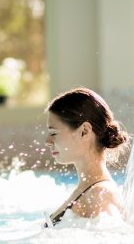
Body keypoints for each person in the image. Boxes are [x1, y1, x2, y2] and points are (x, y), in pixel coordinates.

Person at [44, 87, 129, 227]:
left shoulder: (99, 195)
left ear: (84, 131)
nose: (47, 142)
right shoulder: (89, 190)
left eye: (53, 133)